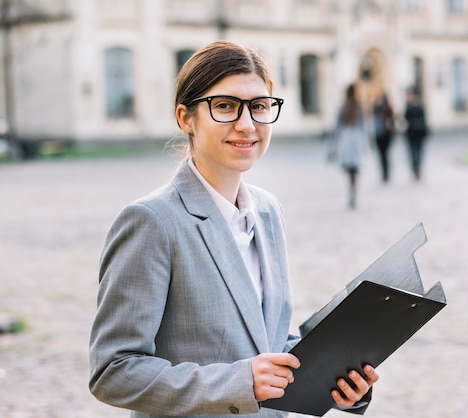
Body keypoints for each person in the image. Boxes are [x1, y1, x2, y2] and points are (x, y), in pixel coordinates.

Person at [89, 40, 378, 418]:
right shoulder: (152, 221)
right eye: (225, 106)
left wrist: (338, 377)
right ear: (185, 117)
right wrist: (238, 384)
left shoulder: (268, 211)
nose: (247, 124)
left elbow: (266, 341)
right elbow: (113, 371)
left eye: (259, 106)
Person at [333, 83, 368, 209]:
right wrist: (365, 144)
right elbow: (364, 126)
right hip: (356, 139)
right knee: (354, 169)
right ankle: (354, 192)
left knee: (349, 170)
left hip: (346, 139)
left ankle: (351, 192)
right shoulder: (358, 107)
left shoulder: (343, 106)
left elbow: (336, 126)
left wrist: (335, 144)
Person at [404, 87, 429, 180]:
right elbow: (405, 119)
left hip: (419, 133)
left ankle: (418, 168)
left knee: (419, 152)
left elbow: (423, 119)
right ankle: (415, 169)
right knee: (412, 153)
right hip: (411, 134)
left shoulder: (419, 105)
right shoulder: (408, 106)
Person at [372, 92, 395, 183]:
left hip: (386, 135)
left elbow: (391, 122)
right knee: (382, 156)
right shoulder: (377, 109)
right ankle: (384, 173)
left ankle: (386, 173)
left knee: (385, 155)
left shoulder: (387, 109)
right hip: (379, 135)